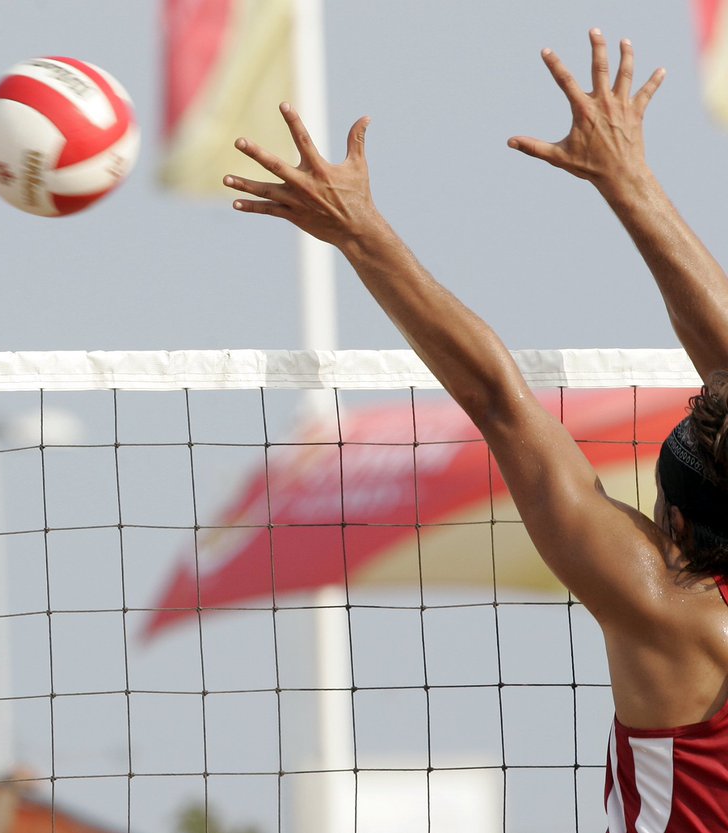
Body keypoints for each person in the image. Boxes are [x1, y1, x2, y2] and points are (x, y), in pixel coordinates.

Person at [226, 29, 728, 831]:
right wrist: (630, 181)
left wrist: (361, 232)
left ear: (673, 512)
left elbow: (500, 400)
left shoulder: (666, 609)